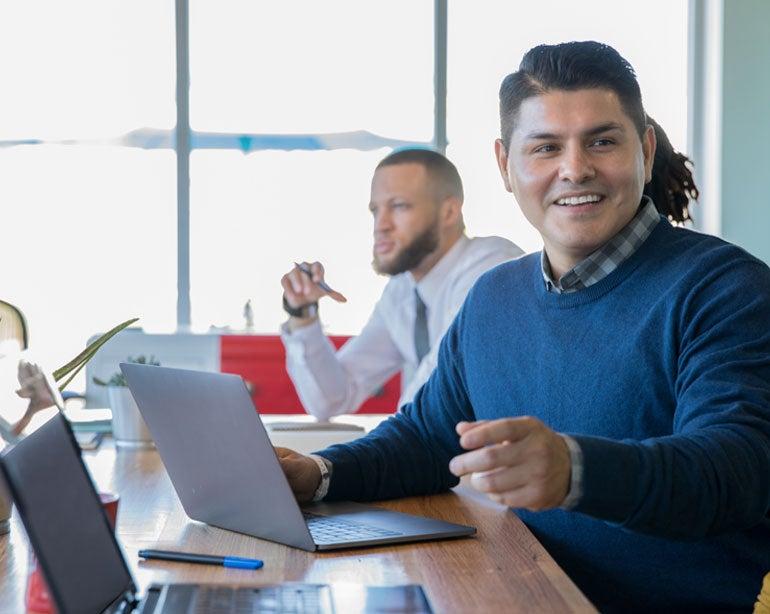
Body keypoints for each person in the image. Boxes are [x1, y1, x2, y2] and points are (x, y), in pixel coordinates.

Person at [277, 41, 770, 612]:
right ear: (505, 166)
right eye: (545, 147)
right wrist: (318, 473)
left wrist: (575, 471)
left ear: (646, 147)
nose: (575, 168)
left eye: (603, 141)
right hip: (517, 592)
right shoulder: (494, 296)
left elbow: (735, 469)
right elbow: (427, 439)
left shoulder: (726, 289)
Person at [279, 149, 523, 420]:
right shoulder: (402, 291)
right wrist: (302, 315)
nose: (380, 225)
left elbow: (436, 383)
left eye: (398, 206)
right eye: (375, 210)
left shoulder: (491, 268)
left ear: (449, 211)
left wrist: (378, 452)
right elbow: (332, 399)